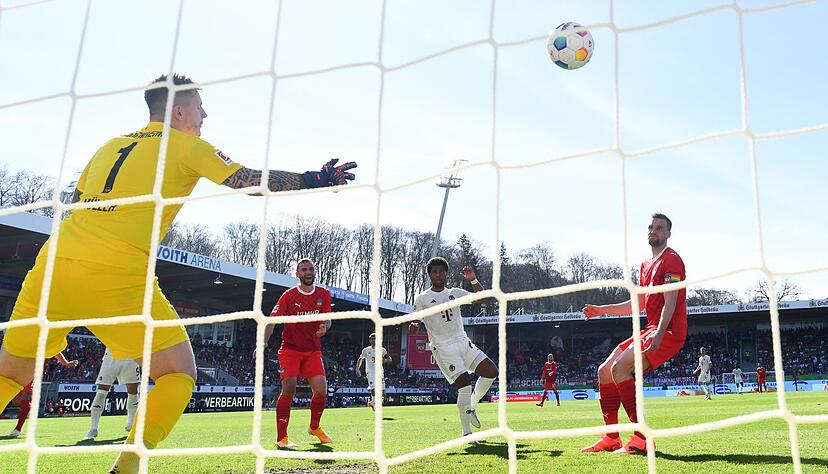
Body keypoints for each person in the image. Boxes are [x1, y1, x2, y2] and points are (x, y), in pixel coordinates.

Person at [0, 74, 356, 474]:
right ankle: (127, 467)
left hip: (51, 266)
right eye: (199, 107)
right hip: (117, 272)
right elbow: (251, 182)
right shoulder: (188, 145)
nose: (205, 114)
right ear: (179, 111)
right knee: (178, 374)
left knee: (8, 375)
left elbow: (82, 204)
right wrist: (316, 179)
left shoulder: (109, 146)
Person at [580, 213, 686, 455]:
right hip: (651, 329)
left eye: (659, 228)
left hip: (668, 331)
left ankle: (642, 438)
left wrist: (659, 334)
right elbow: (639, 303)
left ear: (668, 234)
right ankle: (611, 437)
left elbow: (671, 300)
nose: (653, 231)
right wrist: (601, 311)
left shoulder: (672, 260)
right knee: (604, 371)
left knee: (620, 369)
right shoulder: (645, 265)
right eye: (651, 227)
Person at [410, 257, 498, 440]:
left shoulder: (455, 293)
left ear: (446, 273)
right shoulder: (422, 298)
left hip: (463, 342)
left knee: (491, 371)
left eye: (441, 271)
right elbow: (416, 320)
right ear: (430, 275)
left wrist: (473, 280)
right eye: (434, 272)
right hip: (444, 348)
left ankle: (472, 406)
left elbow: (480, 299)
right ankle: (466, 432)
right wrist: (414, 326)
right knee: (464, 383)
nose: (438, 275)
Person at [261, 258, 333, 449]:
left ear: (315, 272)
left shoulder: (324, 294)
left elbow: (328, 320)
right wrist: (263, 343)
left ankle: (314, 427)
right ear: (297, 274)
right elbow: (271, 321)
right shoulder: (288, 296)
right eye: (303, 269)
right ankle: (282, 438)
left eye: (311, 269)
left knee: (321, 391)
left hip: (312, 350)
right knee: (289, 388)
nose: (308, 272)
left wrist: (324, 327)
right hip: (290, 349)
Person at [7, 352, 79, 438]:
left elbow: (56, 351)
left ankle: (18, 429)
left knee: (25, 397)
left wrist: (66, 363)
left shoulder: (45, 342)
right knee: (15, 397)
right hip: (16, 369)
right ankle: (28, 411)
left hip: (32, 373)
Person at [84, 348, 142, 440]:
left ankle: (131, 424)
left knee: (133, 392)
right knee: (101, 393)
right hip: (111, 357)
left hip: (131, 357)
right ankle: (93, 428)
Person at [356, 333, 392, 410]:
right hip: (370, 371)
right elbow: (360, 359)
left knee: (383, 392)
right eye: (372, 339)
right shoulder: (366, 350)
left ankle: (374, 403)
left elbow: (389, 359)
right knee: (374, 389)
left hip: (380, 372)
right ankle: (374, 402)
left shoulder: (382, 350)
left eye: (375, 338)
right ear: (369, 340)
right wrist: (357, 369)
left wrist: (383, 360)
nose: (374, 340)